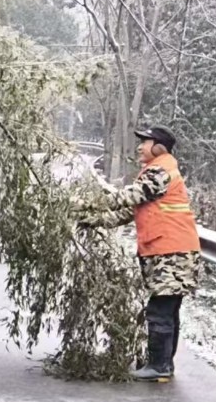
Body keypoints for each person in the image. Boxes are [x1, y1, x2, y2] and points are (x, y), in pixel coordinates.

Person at [75, 125, 202, 382]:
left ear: (159, 147)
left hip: (172, 252)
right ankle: (163, 363)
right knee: (167, 309)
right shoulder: (155, 172)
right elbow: (127, 212)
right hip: (168, 251)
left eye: (145, 142)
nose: (139, 147)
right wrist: (91, 219)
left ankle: (159, 366)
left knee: (160, 310)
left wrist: (85, 203)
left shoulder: (161, 170)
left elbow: (127, 197)